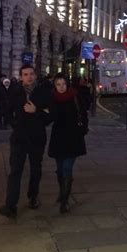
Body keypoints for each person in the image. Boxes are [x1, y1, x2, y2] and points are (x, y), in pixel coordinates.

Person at [0, 64, 53, 219]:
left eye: (31, 74)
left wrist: (36, 111)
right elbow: (6, 111)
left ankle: (33, 196)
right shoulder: (15, 91)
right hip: (19, 138)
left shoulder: (43, 92)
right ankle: (11, 205)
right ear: (21, 76)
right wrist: (14, 123)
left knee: (35, 169)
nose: (29, 77)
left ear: (35, 75)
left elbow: (50, 117)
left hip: (36, 137)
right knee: (15, 171)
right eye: (25, 74)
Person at [49, 74, 88, 213]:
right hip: (58, 138)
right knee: (59, 169)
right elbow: (49, 118)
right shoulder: (52, 97)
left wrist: (82, 131)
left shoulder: (75, 96)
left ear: (67, 84)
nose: (61, 87)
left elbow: (83, 114)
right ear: (55, 85)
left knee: (67, 168)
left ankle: (64, 202)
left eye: (63, 84)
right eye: (58, 84)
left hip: (73, 137)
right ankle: (62, 192)